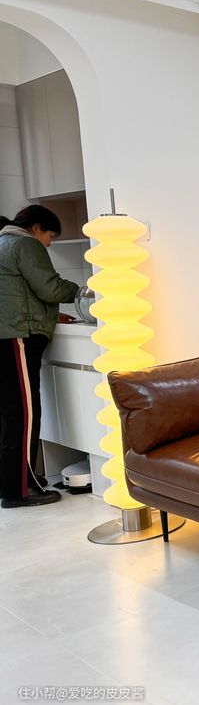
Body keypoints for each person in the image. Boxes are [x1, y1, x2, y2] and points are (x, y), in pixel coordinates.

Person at [0, 205, 83, 508]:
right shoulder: (25, 244)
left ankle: (14, 482)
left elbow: (19, 294)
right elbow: (50, 288)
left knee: (10, 413)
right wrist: (85, 291)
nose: (48, 242)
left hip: (8, 333)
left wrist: (49, 315)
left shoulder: (3, 243)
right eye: (50, 235)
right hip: (16, 336)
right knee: (24, 413)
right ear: (36, 227)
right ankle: (20, 490)